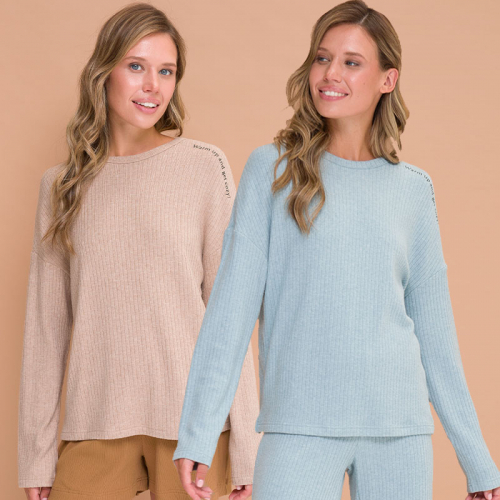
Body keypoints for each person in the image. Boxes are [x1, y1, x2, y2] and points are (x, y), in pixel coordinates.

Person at [171, 1, 500, 499]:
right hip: (297, 426)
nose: (330, 74)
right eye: (322, 58)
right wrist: (197, 431)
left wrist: (476, 459)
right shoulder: (271, 171)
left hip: (398, 432)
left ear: (387, 79)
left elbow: (436, 336)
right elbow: (230, 312)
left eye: (352, 62)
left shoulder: (413, 190)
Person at [17, 3, 261, 500]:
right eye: (136, 66)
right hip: (95, 421)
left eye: (166, 71)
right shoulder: (61, 187)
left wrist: (247, 449)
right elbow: (46, 331)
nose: (153, 85)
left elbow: (230, 315)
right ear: (103, 71)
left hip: (193, 429)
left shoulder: (203, 167)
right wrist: (36, 458)